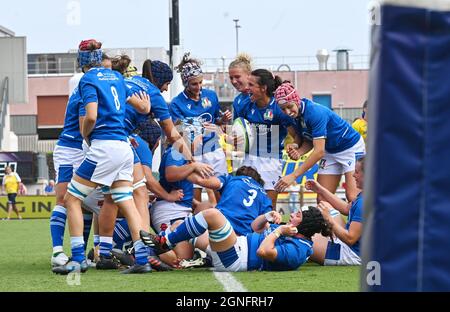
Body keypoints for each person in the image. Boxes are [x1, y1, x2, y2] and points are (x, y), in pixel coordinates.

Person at [52, 39, 152, 275]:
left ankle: (78, 259)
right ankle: (142, 259)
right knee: (126, 203)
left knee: (71, 199)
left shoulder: (88, 80)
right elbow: (143, 108)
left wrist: (86, 134)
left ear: (82, 62)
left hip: (104, 147)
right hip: (125, 148)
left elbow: (91, 116)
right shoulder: (117, 77)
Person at [49, 52, 113, 268]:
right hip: (71, 148)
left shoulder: (96, 87)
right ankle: (58, 251)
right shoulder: (84, 89)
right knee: (64, 197)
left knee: (94, 202)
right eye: (104, 69)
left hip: (89, 149)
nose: (106, 74)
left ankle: (90, 251)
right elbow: (84, 124)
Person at [140, 205, 332, 272]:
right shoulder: (290, 230)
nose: (292, 216)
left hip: (237, 259)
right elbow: (255, 228)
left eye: (297, 215)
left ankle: (164, 242)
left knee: (213, 215)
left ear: (304, 224)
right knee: (180, 226)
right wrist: (266, 218)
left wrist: (278, 232)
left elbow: (263, 251)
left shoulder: (298, 250)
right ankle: (166, 259)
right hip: (236, 247)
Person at [274, 82, 365, 202]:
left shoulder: (315, 112)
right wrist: (298, 149)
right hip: (329, 150)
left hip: (350, 148)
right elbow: (308, 139)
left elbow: (319, 152)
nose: (287, 112)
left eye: (289, 106)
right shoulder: (292, 115)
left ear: (297, 100)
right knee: (322, 200)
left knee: (353, 197)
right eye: (283, 109)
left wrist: (293, 175)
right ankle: (334, 221)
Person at [169, 52, 232, 204]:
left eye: (200, 82)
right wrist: (199, 127)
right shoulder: (177, 103)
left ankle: (225, 222)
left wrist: (222, 120)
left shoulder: (210, 95)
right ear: (185, 83)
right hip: (193, 153)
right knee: (194, 194)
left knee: (223, 190)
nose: (198, 87)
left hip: (214, 149)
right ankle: (196, 225)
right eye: (194, 84)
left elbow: (216, 121)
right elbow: (178, 129)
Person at [232, 69, 297, 209]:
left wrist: (294, 146)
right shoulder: (245, 105)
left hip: (271, 160)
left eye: (251, 85)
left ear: (263, 88)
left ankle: (270, 230)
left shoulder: (278, 109)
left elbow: (296, 137)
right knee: (246, 202)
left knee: (268, 205)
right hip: (249, 158)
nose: (247, 88)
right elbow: (237, 131)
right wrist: (235, 140)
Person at [305, 156, 365, 266]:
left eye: (356, 172)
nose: (353, 175)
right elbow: (347, 209)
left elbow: (350, 239)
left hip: (353, 254)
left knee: (303, 237)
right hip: (357, 247)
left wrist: (329, 219)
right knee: (325, 205)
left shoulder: (364, 203)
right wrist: (321, 190)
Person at [228, 53, 253, 119]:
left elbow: (275, 124)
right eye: (231, 78)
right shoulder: (237, 100)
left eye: (237, 77)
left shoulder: (261, 96)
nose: (234, 81)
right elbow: (237, 126)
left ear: (249, 75)